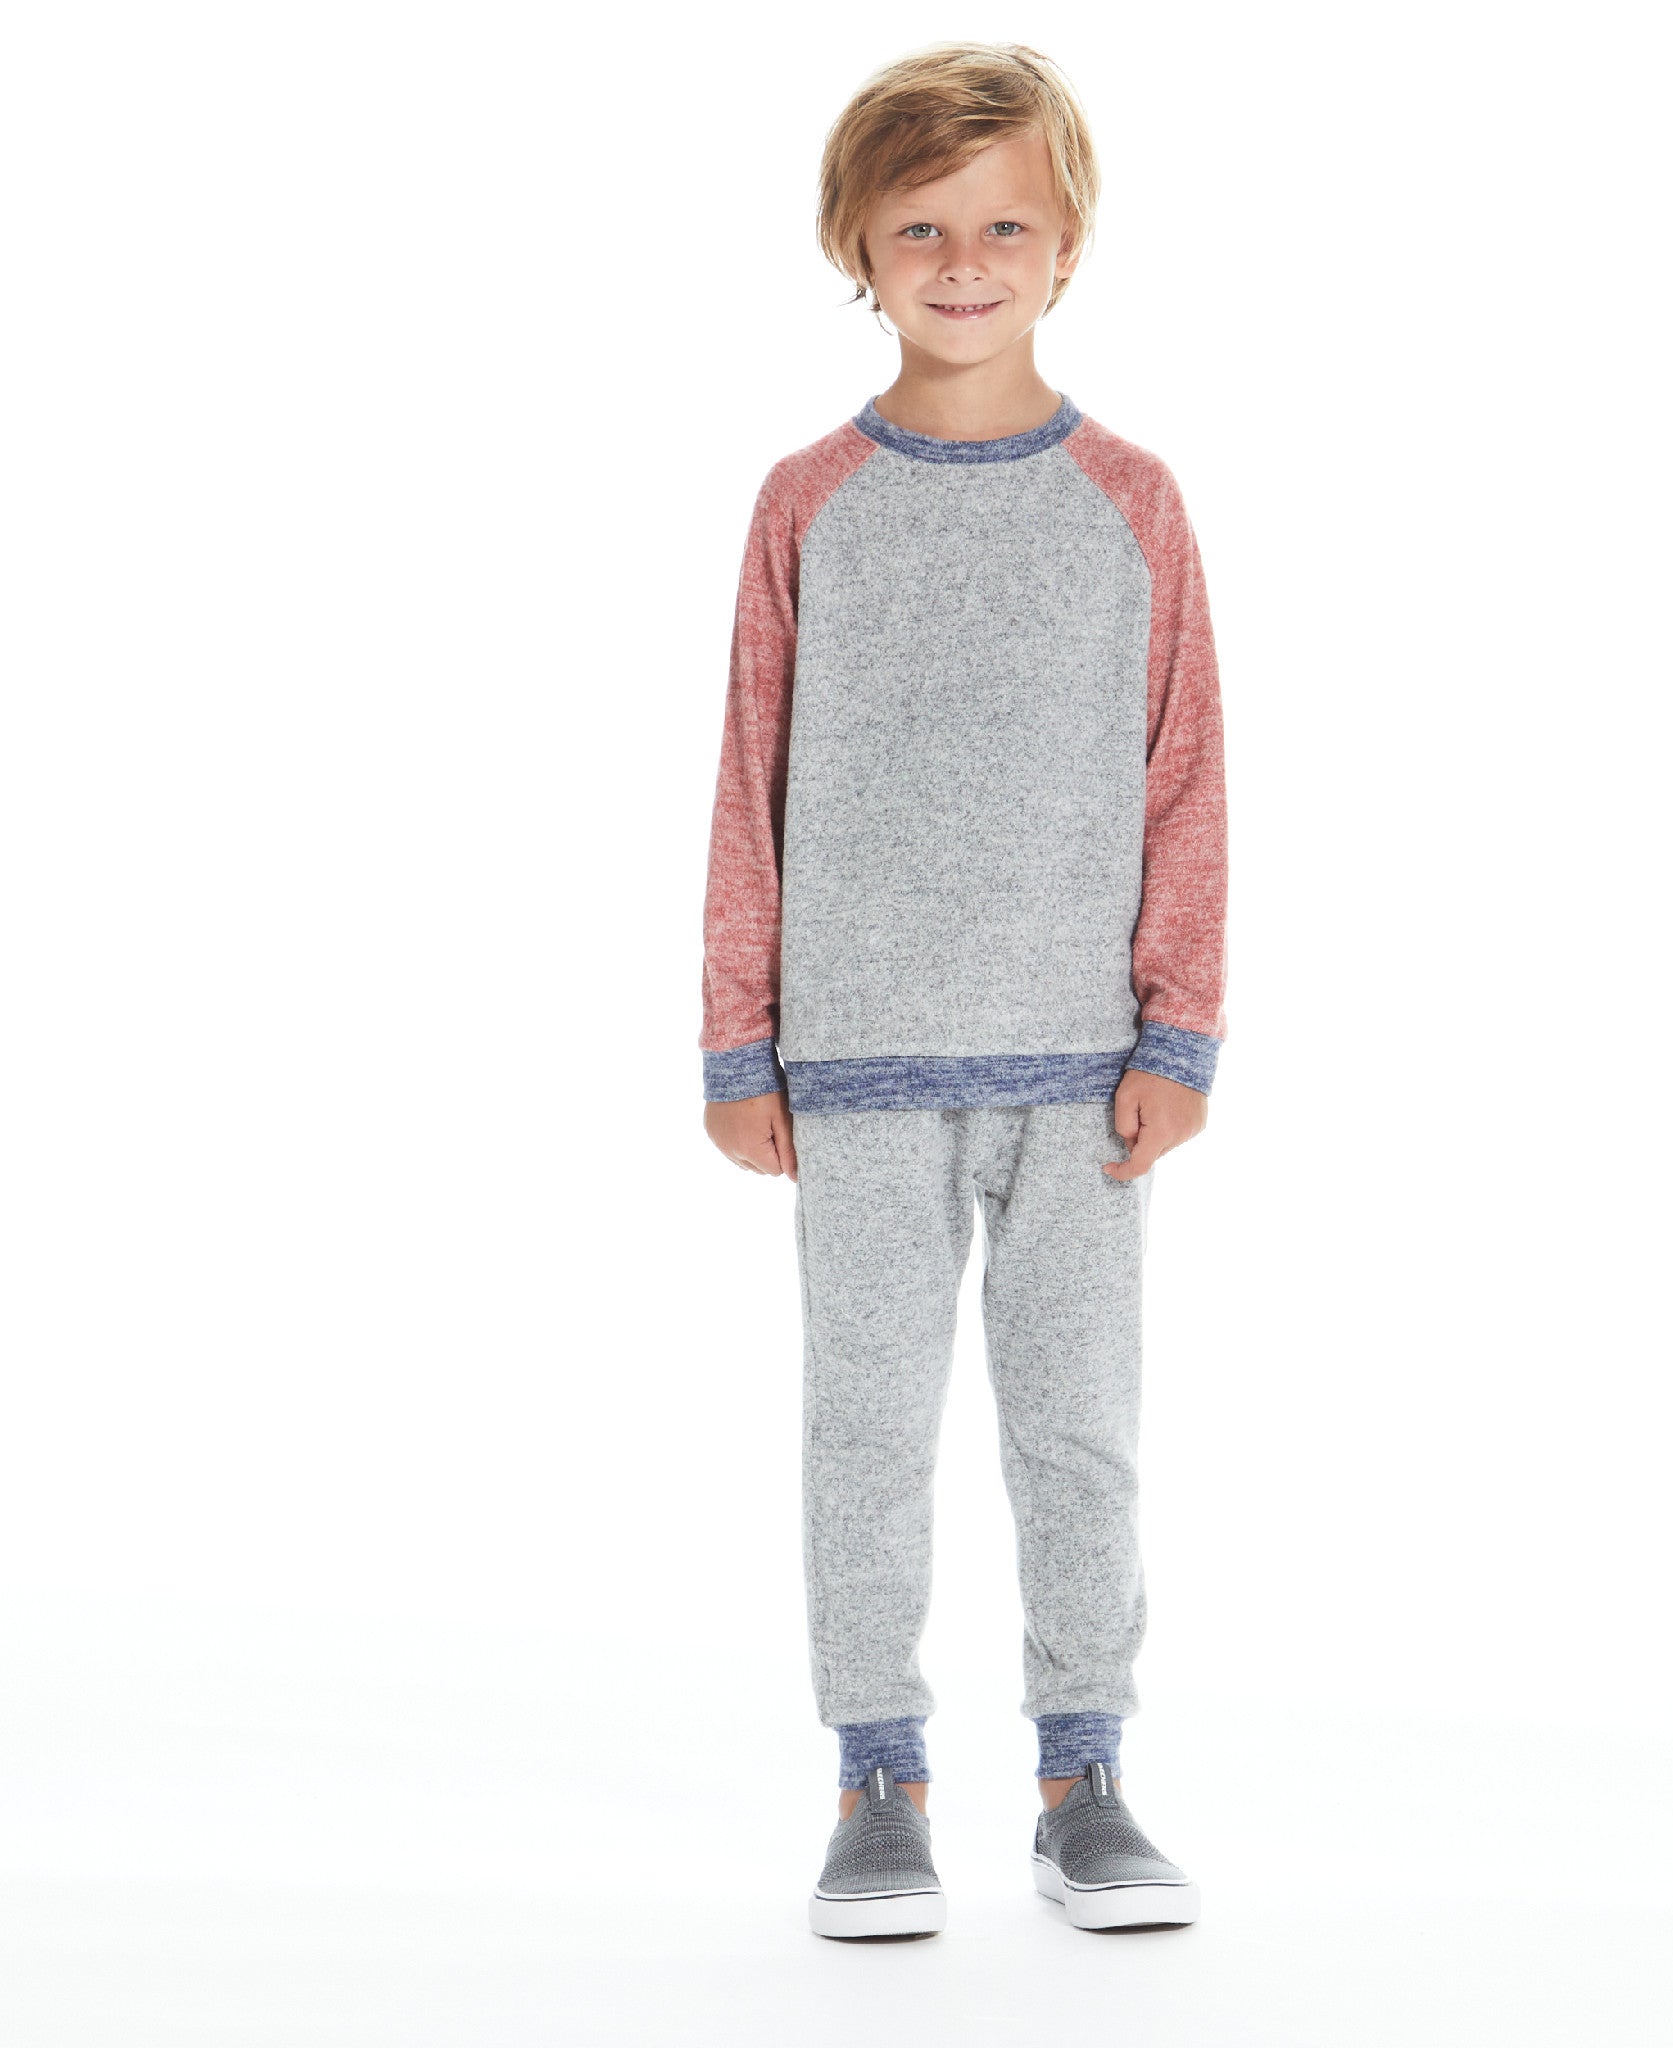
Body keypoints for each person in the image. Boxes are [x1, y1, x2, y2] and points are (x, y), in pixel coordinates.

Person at [697, 40, 1228, 1939]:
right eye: (920, 227)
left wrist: (1180, 1027)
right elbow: (750, 774)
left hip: (1082, 1070)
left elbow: (1185, 773)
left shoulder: (1134, 502)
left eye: (1005, 225)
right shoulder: (808, 501)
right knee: (865, 1434)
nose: (965, 261)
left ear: (1068, 244)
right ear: (856, 246)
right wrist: (736, 1039)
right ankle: (878, 1779)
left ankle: (1086, 1776)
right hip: (851, 1067)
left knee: (1077, 1432)